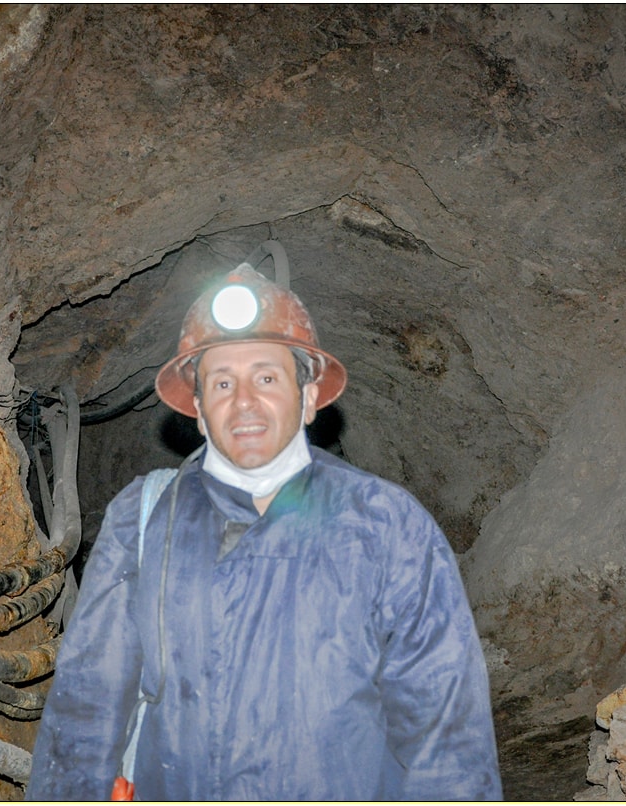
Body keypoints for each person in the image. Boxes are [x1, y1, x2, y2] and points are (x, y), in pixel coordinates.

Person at [27, 259, 502, 800]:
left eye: (267, 377)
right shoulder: (142, 517)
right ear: (200, 411)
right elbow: (85, 710)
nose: (244, 400)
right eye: (222, 382)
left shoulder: (385, 523)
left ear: (308, 398)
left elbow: (445, 734)